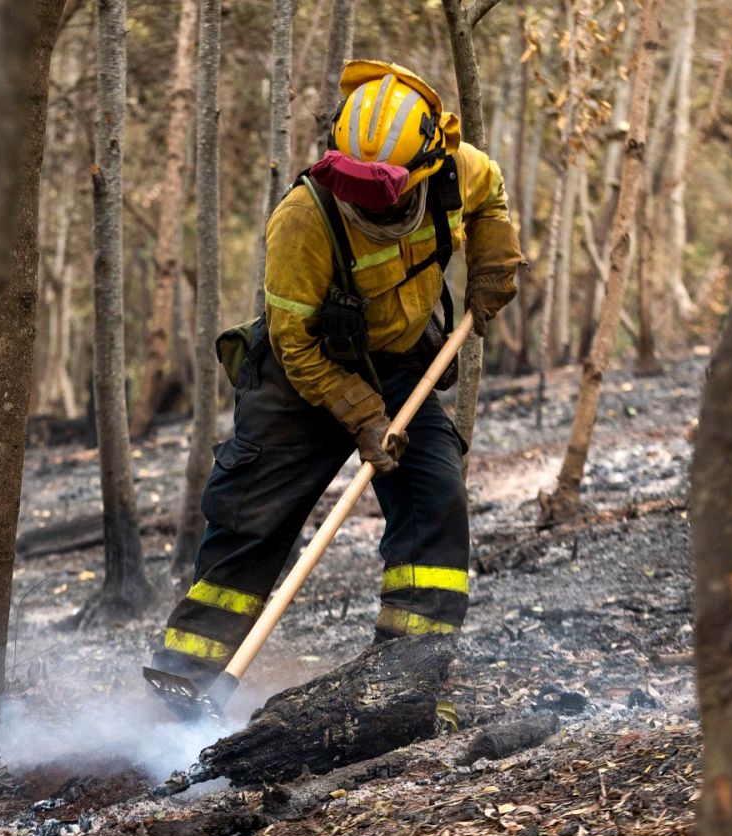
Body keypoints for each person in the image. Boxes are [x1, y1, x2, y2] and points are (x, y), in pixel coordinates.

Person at [148, 60, 523, 699]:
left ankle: (403, 683)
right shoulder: (302, 219)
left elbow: (490, 200)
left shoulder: (460, 171)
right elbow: (295, 343)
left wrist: (494, 263)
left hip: (403, 365)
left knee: (438, 502)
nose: (363, 205)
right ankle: (183, 688)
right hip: (302, 382)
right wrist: (364, 416)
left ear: (429, 165)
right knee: (248, 524)